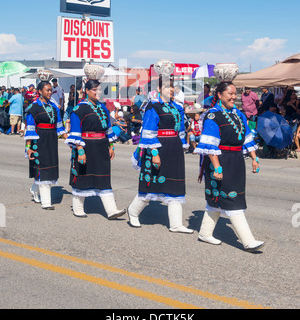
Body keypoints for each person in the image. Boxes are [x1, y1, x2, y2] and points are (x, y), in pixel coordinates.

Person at [195, 80, 264, 252]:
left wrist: (254, 158)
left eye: (235, 93)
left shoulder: (238, 114)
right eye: (230, 93)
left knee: (217, 201)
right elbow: (210, 145)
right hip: (220, 160)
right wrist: (217, 167)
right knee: (233, 201)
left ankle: (204, 233)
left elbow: (247, 137)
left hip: (236, 160)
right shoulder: (212, 116)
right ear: (219, 95)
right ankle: (248, 241)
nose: (234, 97)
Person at [128, 59, 193, 234]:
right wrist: (155, 153)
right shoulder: (153, 108)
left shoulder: (176, 107)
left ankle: (176, 224)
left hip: (174, 149)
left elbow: (179, 130)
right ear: (158, 90)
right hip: (157, 147)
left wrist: (182, 145)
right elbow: (148, 132)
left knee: (175, 185)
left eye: (172, 87)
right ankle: (133, 212)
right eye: (166, 87)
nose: (170, 90)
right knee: (151, 184)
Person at [66, 65, 126, 220]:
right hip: (86, 146)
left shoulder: (103, 107)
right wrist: (80, 150)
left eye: (99, 90)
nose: (98, 93)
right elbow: (75, 132)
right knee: (84, 176)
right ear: (87, 91)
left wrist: (111, 146)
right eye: (95, 90)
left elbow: (108, 128)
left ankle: (111, 210)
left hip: (101, 146)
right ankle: (78, 207)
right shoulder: (79, 109)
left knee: (103, 177)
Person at [24, 77, 68, 209]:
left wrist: (71, 141)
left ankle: (34, 189)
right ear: (39, 91)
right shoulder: (33, 108)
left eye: (51, 90)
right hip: (38, 140)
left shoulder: (54, 106)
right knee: (42, 168)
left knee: (49, 167)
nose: (50, 92)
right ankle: (46, 202)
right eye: (47, 90)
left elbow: (60, 126)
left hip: (51, 140)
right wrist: (28, 147)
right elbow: (30, 129)